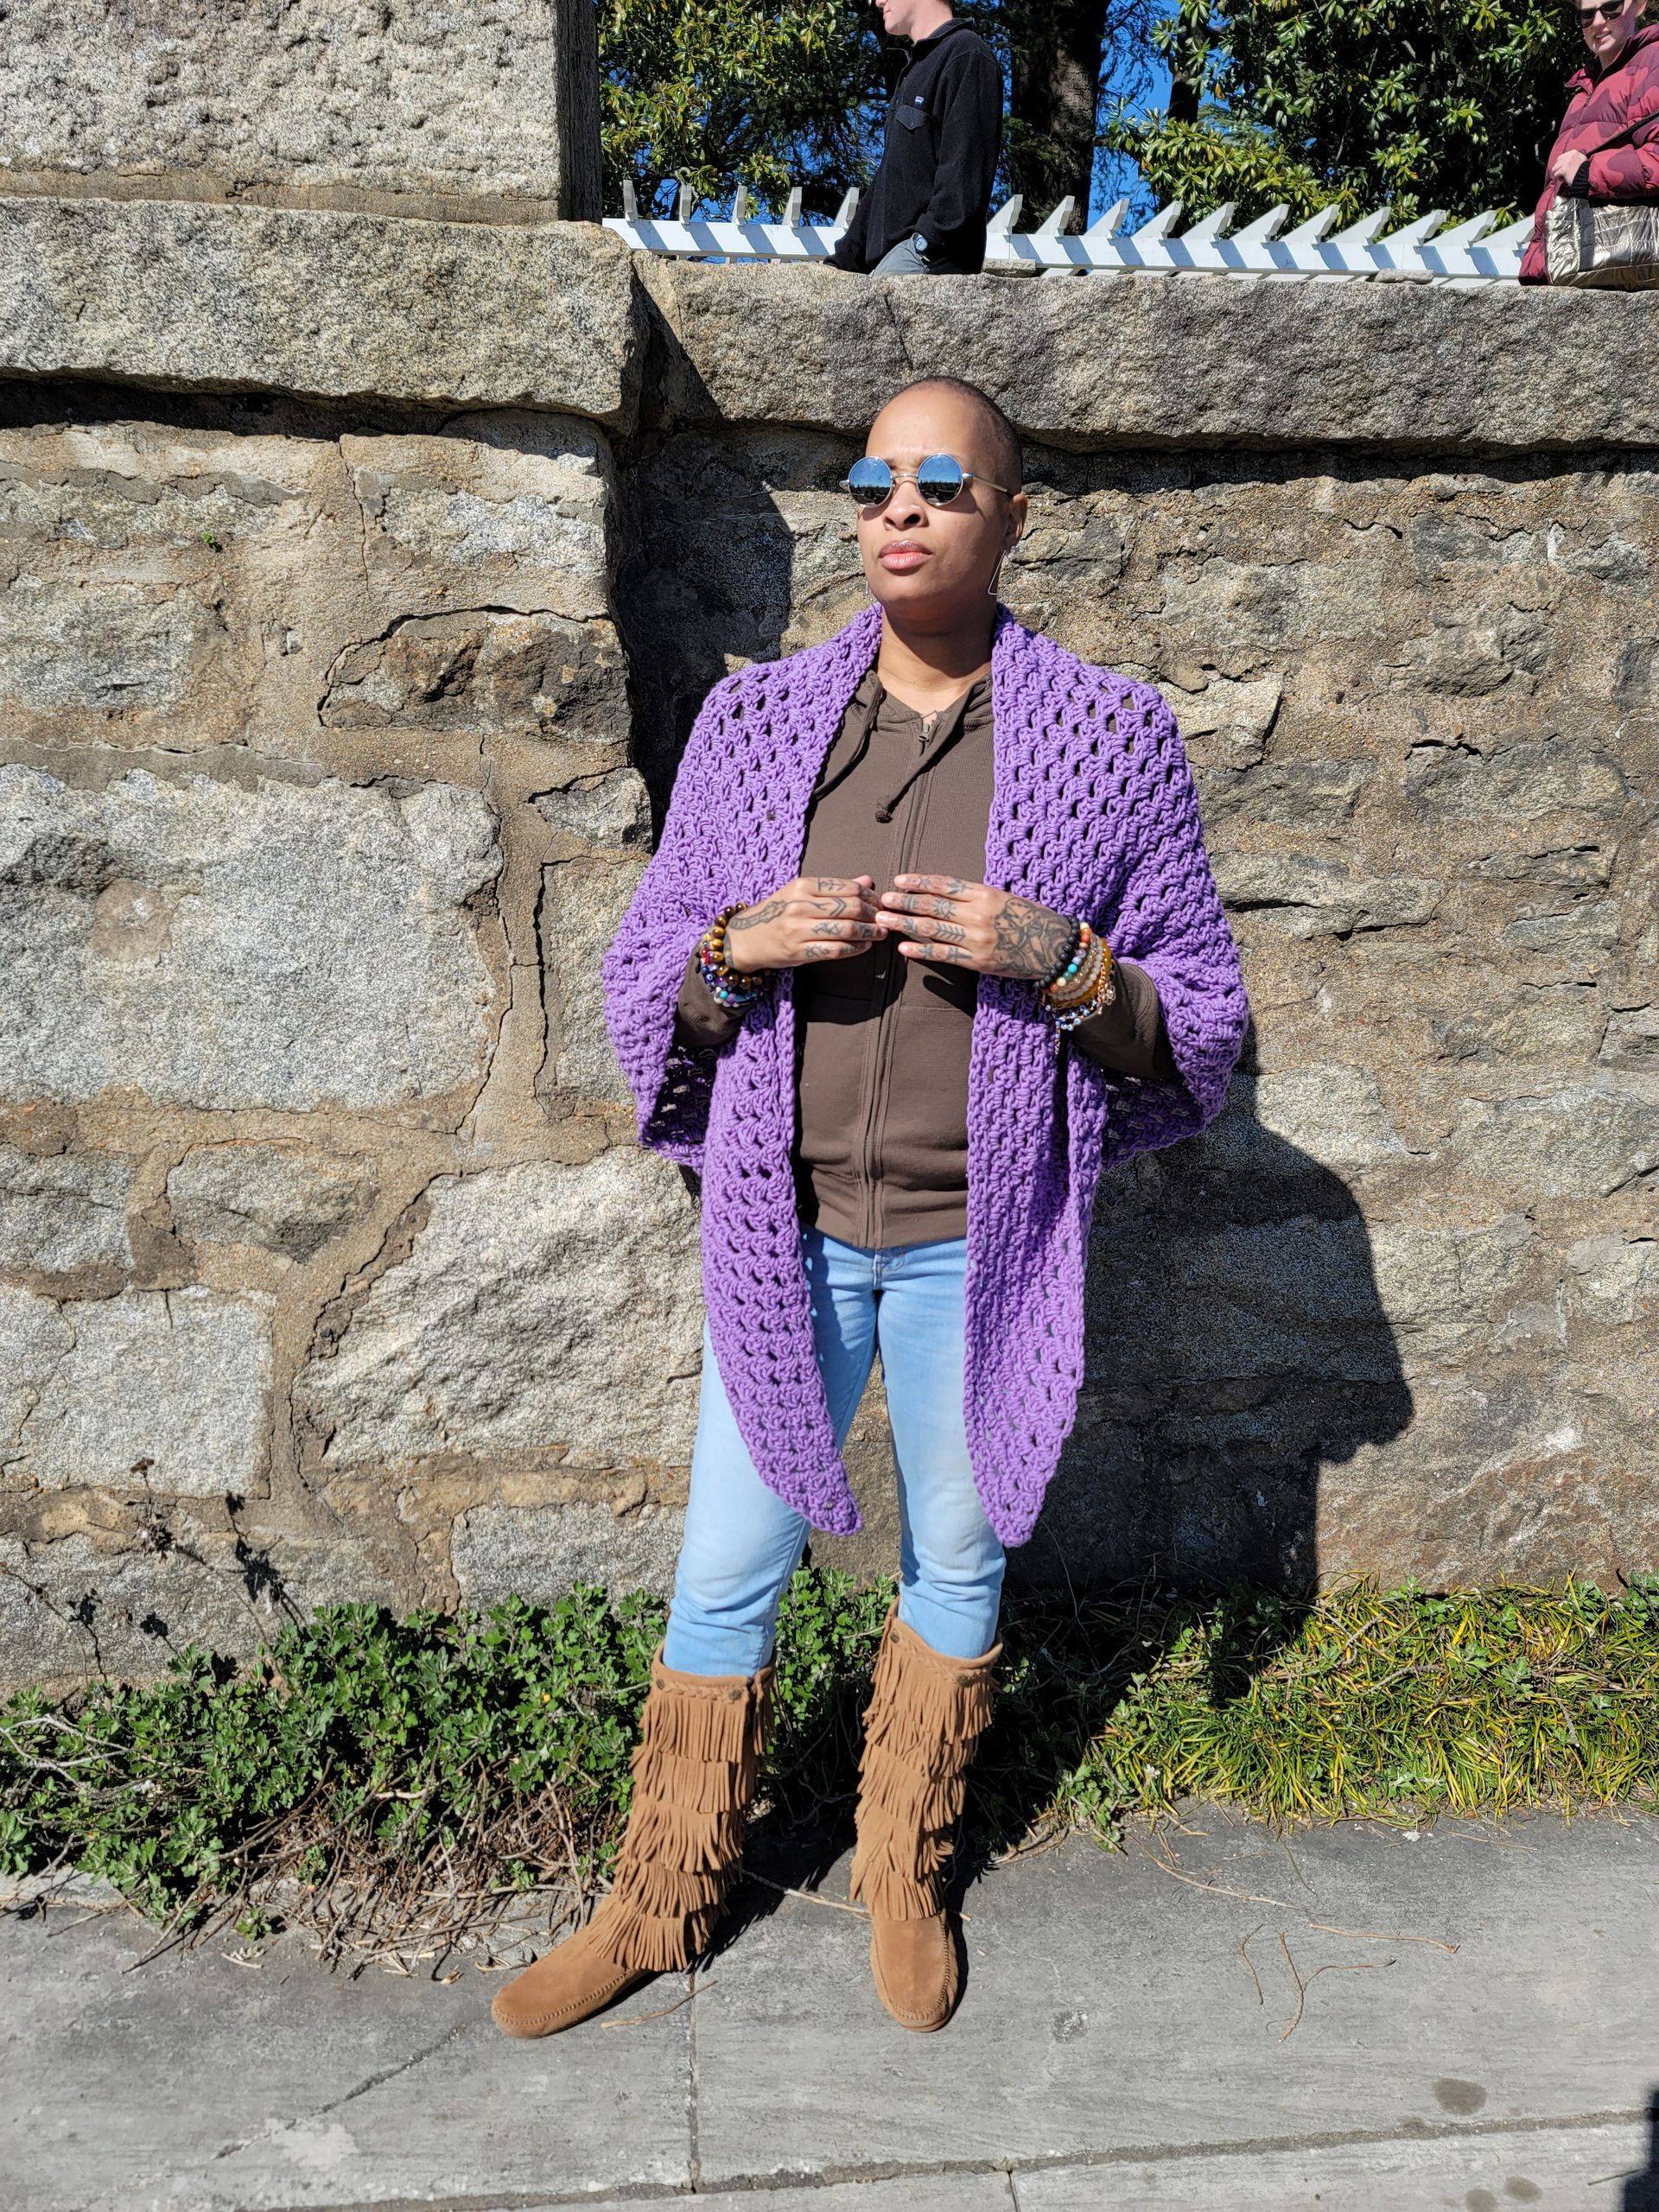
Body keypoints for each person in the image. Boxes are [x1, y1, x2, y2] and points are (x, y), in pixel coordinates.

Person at [489, 376, 1247, 2044]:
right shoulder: (759, 727)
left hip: (987, 1245)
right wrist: (732, 951)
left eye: (942, 484)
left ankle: (904, 1866)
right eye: (875, 482)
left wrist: (1056, 958)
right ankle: (657, 1900)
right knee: (725, 1568)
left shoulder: (1113, 741)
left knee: (957, 1559)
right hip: (795, 1234)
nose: (900, 509)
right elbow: (649, 977)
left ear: (1010, 516)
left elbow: (1199, 1018)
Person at [826, 0, 1003, 276]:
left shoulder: (966, 53)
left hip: (929, 266)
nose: (877, 1)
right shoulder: (913, 72)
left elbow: (964, 172)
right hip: (893, 265)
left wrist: (925, 245)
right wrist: (843, 261)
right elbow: (889, 181)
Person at [1520, 0, 1659, 282]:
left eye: (1611, 8)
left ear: (1639, 5)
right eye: (1586, 15)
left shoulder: (1652, 62)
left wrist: (1588, 172)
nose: (1598, 22)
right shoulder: (1584, 87)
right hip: (1565, 273)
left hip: (1617, 274)